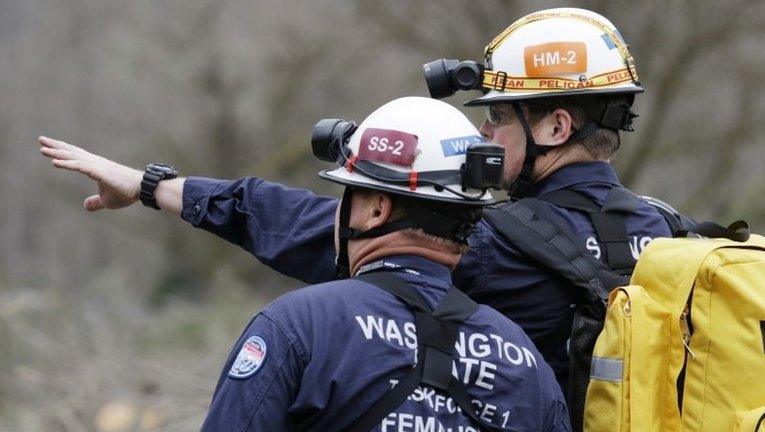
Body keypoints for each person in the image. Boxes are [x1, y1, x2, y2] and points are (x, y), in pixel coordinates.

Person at [39, 6, 687, 412]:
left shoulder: (495, 244)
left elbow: (305, 226)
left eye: (500, 120)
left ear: (555, 127)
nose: (488, 138)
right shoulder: (672, 241)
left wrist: (152, 186)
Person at [60, 97, 572, 430]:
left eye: (348, 195)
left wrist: (154, 187)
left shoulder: (295, 329)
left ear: (375, 208)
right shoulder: (525, 362)